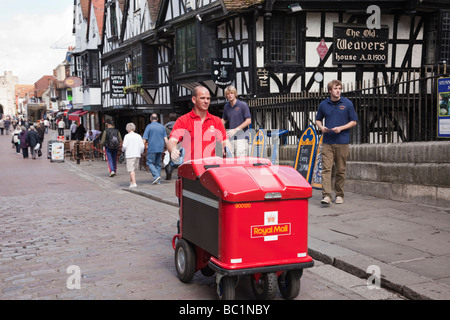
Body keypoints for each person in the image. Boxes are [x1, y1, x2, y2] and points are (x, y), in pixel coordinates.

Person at [315, 80, 358, 205]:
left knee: (340, 170)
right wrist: (321, 127)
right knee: (326, 169)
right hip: (327, 141)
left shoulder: (347, 103)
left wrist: (341, 128)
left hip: (342, 142)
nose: (338, 90)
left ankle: (339, 195)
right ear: (330, 91)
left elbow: (354, 121)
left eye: (339, 88)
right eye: (335, 88)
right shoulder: (323, 104)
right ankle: (327, 196)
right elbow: (318, 119)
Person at [167, 86, 228, 163]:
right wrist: (173, 150)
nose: (206, 101)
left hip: (210, 168)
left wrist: (226, 148)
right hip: (190, 168)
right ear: (194, 100)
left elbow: (224, 140)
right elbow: (172, 141)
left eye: (208, 98)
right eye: (202, 98)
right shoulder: (183, 120)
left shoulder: (216, 121)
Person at [221, 85, 252, 157]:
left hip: (242, 137)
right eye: (228, 94)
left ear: (235, 94)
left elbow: (248, 121)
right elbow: (223, 120)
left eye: (231, 93)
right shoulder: (226, 106)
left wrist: (236, 130)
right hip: (230, 138)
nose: (230, 95)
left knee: (240, 160)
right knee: (230, 160)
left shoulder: (243, 105)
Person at [142, 114, 168, 185]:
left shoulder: (149, 126)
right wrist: (168, 147)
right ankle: (158, 180)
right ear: (157, 119)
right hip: (160, 147)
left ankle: (156, 176)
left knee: (149, 162)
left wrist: (140, 148)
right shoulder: (162, 127)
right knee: (158, 164)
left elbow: (144, 139)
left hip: (152, 147)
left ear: (150, 119)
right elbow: (165, 138)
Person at [122, 122, 145, 188]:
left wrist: (123, 150)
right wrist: (141, 152)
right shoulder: (138, 136)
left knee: (131, 169)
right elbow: (142, 146)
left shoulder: (127, 136)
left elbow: (124, 146)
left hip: (130, 154)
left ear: (127, 129)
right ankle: (131, 182)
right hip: (137, 154)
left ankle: (134, 183)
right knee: (133, 169)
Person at [164, 113, 178, 180]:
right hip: (179, 143)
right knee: (180, 159)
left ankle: (169, 174)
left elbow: (164, 136)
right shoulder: (180, 124)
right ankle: (180, 175)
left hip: (170, 143)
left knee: (170, 159)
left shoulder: (166, 126)